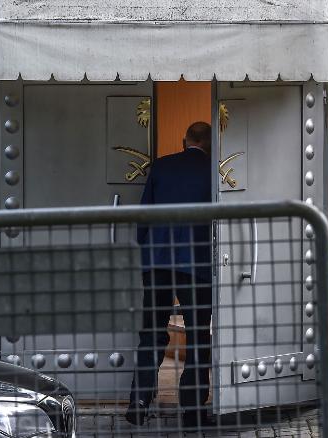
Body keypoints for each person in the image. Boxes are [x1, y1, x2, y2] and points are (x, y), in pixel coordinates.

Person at [126, 122, 213, 427]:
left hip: (158, 262)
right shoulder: (212, 171)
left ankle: (138, 402)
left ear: (183, 140)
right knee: (199, 335)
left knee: (151, 333)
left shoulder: (162, 167)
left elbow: (142, 218)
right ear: (210, 144)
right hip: (197, 264)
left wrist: (147, 253)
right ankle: (193, 410)